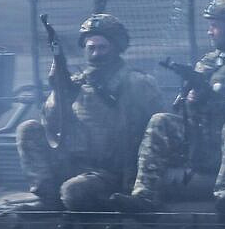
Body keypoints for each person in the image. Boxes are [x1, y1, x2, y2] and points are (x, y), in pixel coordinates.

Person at [113, 0, 225, 214]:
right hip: (208, 138)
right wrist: (193, 102)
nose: (210, 32)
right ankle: (145, 197)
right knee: (160, 121)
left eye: (215, 26)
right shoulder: (209, 63)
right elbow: (183, 111)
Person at [13, 13, 165, 211]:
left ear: (117, 48)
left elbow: (158, 130)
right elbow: (51, 125)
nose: (95, 54)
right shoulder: (76, 84)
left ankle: (112, 203)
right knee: (28, 129)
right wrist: (59, 91)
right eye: (90, 48)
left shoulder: (138, 83)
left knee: (73, 192)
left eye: (102, 47)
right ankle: (49, 200)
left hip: (112, 172)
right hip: (74, 163)